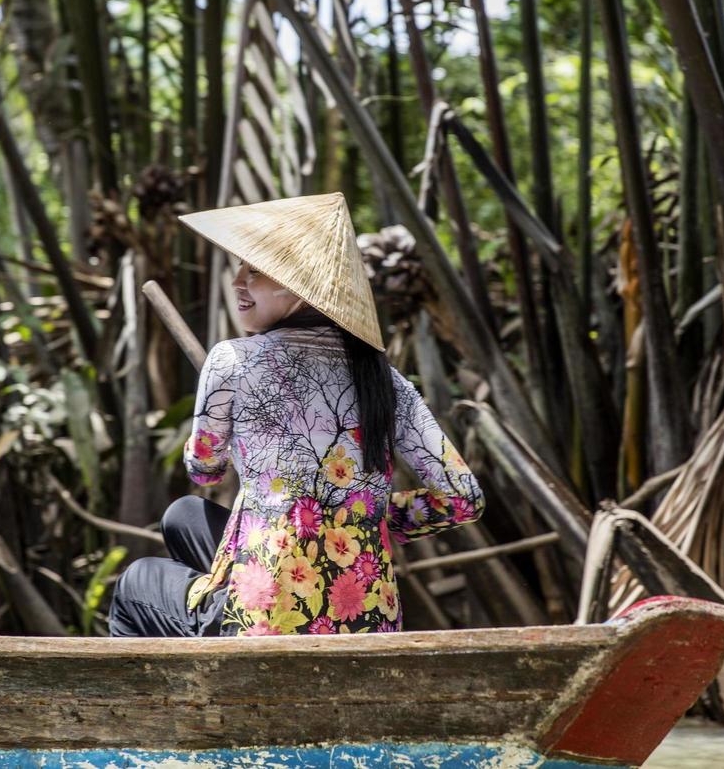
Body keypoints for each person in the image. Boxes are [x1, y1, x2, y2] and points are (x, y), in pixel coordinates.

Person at [107, 192, 485, 637]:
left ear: (300, 286)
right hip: (368, 617)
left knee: (135, 582)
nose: (238, 283)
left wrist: (211, 436)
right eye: (240, 268)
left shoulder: (232, 359)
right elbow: (463, 499)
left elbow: (205, 469)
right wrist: (363, 517)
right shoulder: (385, 378)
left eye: (257, 271)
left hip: (266, 615)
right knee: (182, 515)